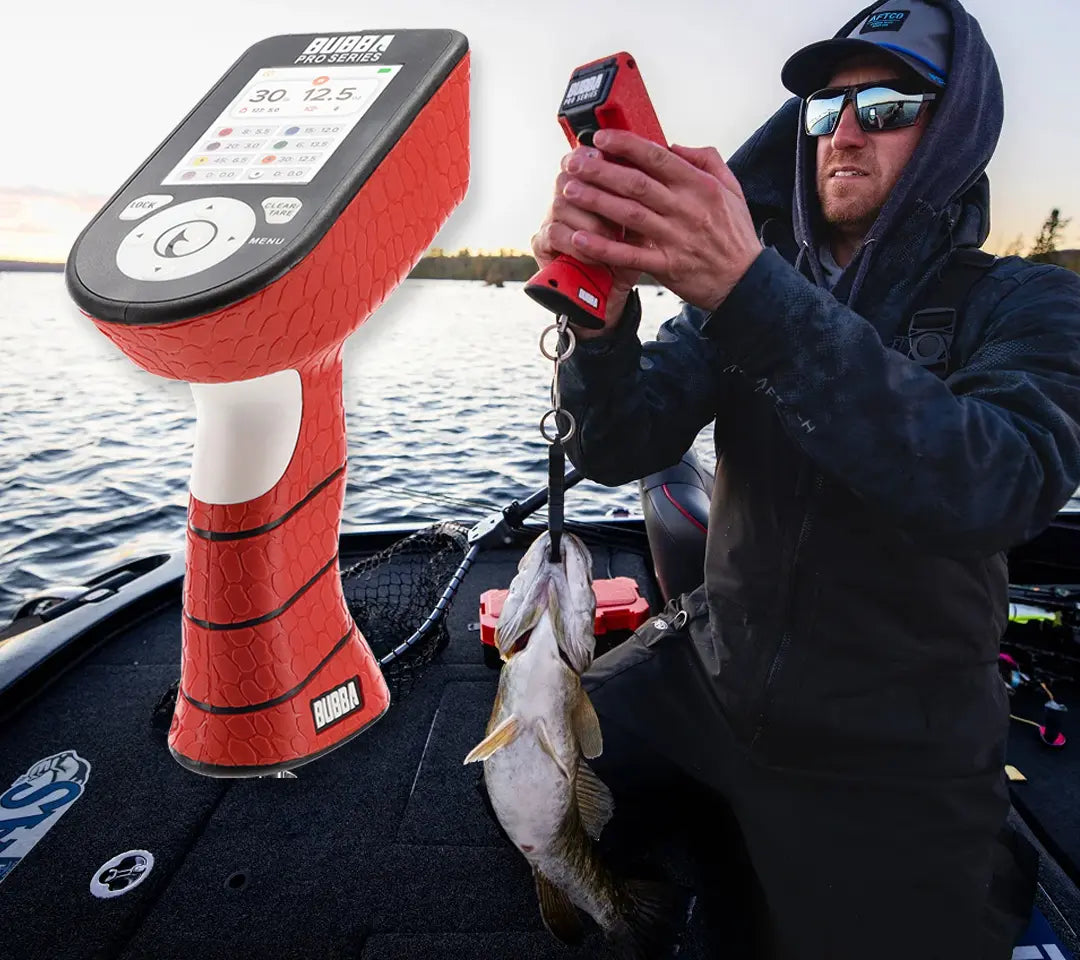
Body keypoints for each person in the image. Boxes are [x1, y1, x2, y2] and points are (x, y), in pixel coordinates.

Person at [530, 0, 1080, 957]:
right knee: (525, 790)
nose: (846, 133)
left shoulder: (1027, 303)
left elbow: (996, 483)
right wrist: (599, 325)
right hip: (713, 674)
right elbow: (620, 446)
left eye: (889, 106)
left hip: (893, 740)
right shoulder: (745, 290)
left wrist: (751, 292)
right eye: (827, 110)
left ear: (954, 133)